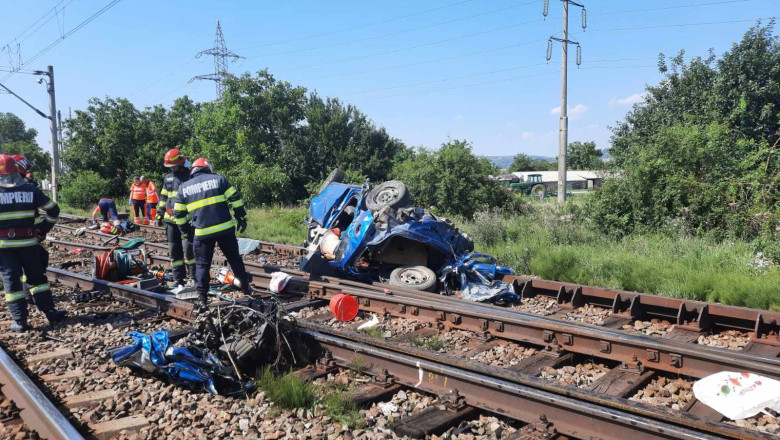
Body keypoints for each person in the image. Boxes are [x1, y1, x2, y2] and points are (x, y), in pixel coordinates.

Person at [0, 154, 66, 332]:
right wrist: (42, 229)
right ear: (16, 170)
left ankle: (20, 321)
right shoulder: (30, 189)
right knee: (37, 279)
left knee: (12, 284)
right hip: (29, 244)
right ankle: (50, 312)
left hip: (4, 248)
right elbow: (53, 210)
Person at [173, 157, 250, 308]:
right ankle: (246, 290)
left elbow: (178, 213)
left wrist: (186, 232)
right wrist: (240, 218)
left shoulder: (184, 187)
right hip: (225, 230)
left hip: (202, 233)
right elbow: (235, 198)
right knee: (235, 260)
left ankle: (202, 299)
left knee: (202, 265)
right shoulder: (219, 180)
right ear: (207, 167)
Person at [156, 149, 196, 286]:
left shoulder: (190, 177)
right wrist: (159, 213)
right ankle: (178, 279)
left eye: (173, 166)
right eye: (170, 167)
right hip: (171, 221)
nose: (171, 169)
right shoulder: (168, 178)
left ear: (180, 163)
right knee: (174, 250)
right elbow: (163, 197)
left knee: (189, 250)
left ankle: (194, 278)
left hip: (186, 221)